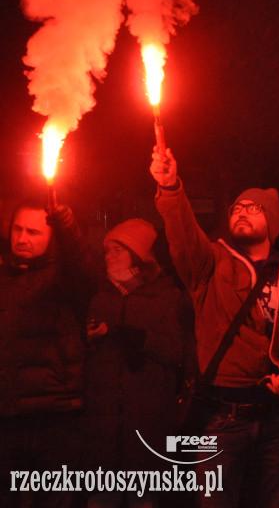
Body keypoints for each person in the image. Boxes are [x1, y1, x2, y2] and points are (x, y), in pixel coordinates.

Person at [149, 146, 279, 508]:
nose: (241, 212)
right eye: (236, 208)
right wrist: (171, 187)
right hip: (222, 420)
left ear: (273, 220)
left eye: (253, 209)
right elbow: (183, 234)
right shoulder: (210, 265)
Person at [84, 218, 193, 508]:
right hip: (102, 425)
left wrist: (143, 339)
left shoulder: (167, 296)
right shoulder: (97, 296)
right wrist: (88, 338)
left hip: (147, 425)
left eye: (118, 249)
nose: (109, 256)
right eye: (106, 250)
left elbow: (180, 350)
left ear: (138, 255)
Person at [0, 199, 95, 508]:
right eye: (17, 229)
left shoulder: (65, 280)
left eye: (33, 232)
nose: (22, 238)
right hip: (7, 417)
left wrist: (66, 228)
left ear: (51, 236)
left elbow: (79, 266)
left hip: (56, 418)